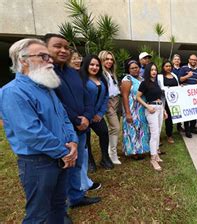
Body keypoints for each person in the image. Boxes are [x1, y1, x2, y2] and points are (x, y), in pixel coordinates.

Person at [0, 38, 78, 223]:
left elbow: (64, 118)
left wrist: (73, 142)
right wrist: (65, 152)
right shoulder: (12, 92)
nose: (50, 61)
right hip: (38, 163)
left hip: (62, 158)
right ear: (24, 60)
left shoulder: (46, 88)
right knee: (39, 214)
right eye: (43, 56)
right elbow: (31, 132)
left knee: (59, 205)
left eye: (49, 57)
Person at [45, 33, 101, 208]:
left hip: (82, 127)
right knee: (62, 168)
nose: (63, 50)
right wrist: (76, 119)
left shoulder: (73, 72)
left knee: (77, 163)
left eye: (66, 47)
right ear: (44, 48)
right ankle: (61, 207)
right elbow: (55, 103)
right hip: (62, 130)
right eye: (57, 46)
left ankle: (76, 197)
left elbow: (87, 97)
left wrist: (87, 116)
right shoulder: (44, 74)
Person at [81, 55, 114, 171]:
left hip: (97, 115)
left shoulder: (101, 79)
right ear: (86, 65)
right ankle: (89, 161)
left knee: (104, 133)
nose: (94, 67)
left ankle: (105, 158)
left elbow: (105, 97)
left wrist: (100, 113)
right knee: (86, 138)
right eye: (91, 64)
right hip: (84, 115)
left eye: (97, 65)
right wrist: (87, 115)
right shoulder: (81, 79)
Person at [136, 63, 168, 171]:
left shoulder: (156, 83)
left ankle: (156, 153)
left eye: (155, 70)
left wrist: (164, 110)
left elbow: (159, 97)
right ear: (148, 71)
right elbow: (138, 97)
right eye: (151, 70)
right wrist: (147, 106)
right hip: (151, 110)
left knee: (158, 132)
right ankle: (153, 158)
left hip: (159, 108)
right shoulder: (144, 83)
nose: (154, 72)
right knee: (154, 134)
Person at [121, 60, 150, 158]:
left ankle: (142, 149)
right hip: (132, 108)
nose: (135, 69)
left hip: (141, 108)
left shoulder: (142, 79)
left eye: (136, 67)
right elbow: (125, 96)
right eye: (132, 68)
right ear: (128, 70)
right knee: (132, 129)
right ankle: (133, 152)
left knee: (142, 129)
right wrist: (128, 113)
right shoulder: (127, 79)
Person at [98, 50, 122, 165]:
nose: (109, 61)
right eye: (106, 59)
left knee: (114, 128)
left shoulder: (111, 72)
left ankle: (110, 150)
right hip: (108, 102)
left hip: (117, 99)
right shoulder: (100, 73)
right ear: (101, 59)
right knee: (116, 128)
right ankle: (112, 154)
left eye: (111, 59)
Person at [178, 54, 197, 138]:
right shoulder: (184, 68)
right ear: (189, 60)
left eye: (195, 60)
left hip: (194, 95)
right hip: (185, 95)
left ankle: (192, 128)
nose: (194, 61)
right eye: (192, 59)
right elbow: (180, 79)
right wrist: (188, 76)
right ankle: (187, 130)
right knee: (187, 112)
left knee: (194, 111)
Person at [160, 61, 180, 143]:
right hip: (163, 100)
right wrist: (165, 89)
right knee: (160, 119)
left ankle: (169, 135)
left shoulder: (174, 75)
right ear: (163, 67)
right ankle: (158, 136)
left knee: (170, 119)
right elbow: (158, 87)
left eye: (169, 66)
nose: (168, 67)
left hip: (173, 101)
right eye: (166, 66)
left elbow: (178, 86)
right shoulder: (160, 77)